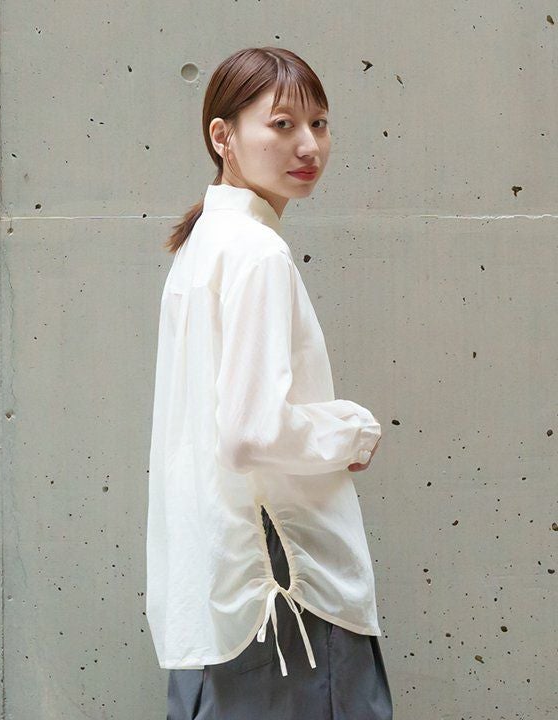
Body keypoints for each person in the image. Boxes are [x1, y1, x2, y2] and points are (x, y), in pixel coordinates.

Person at [146, 46, 393, 719]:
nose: (307, 145)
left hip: (221, 577)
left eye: (319, 124)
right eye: (282, 125)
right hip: (282, 582)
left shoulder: (205, 243)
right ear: (221, 136)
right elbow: (251, 433)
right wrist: (351, 431)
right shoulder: (256, 251)